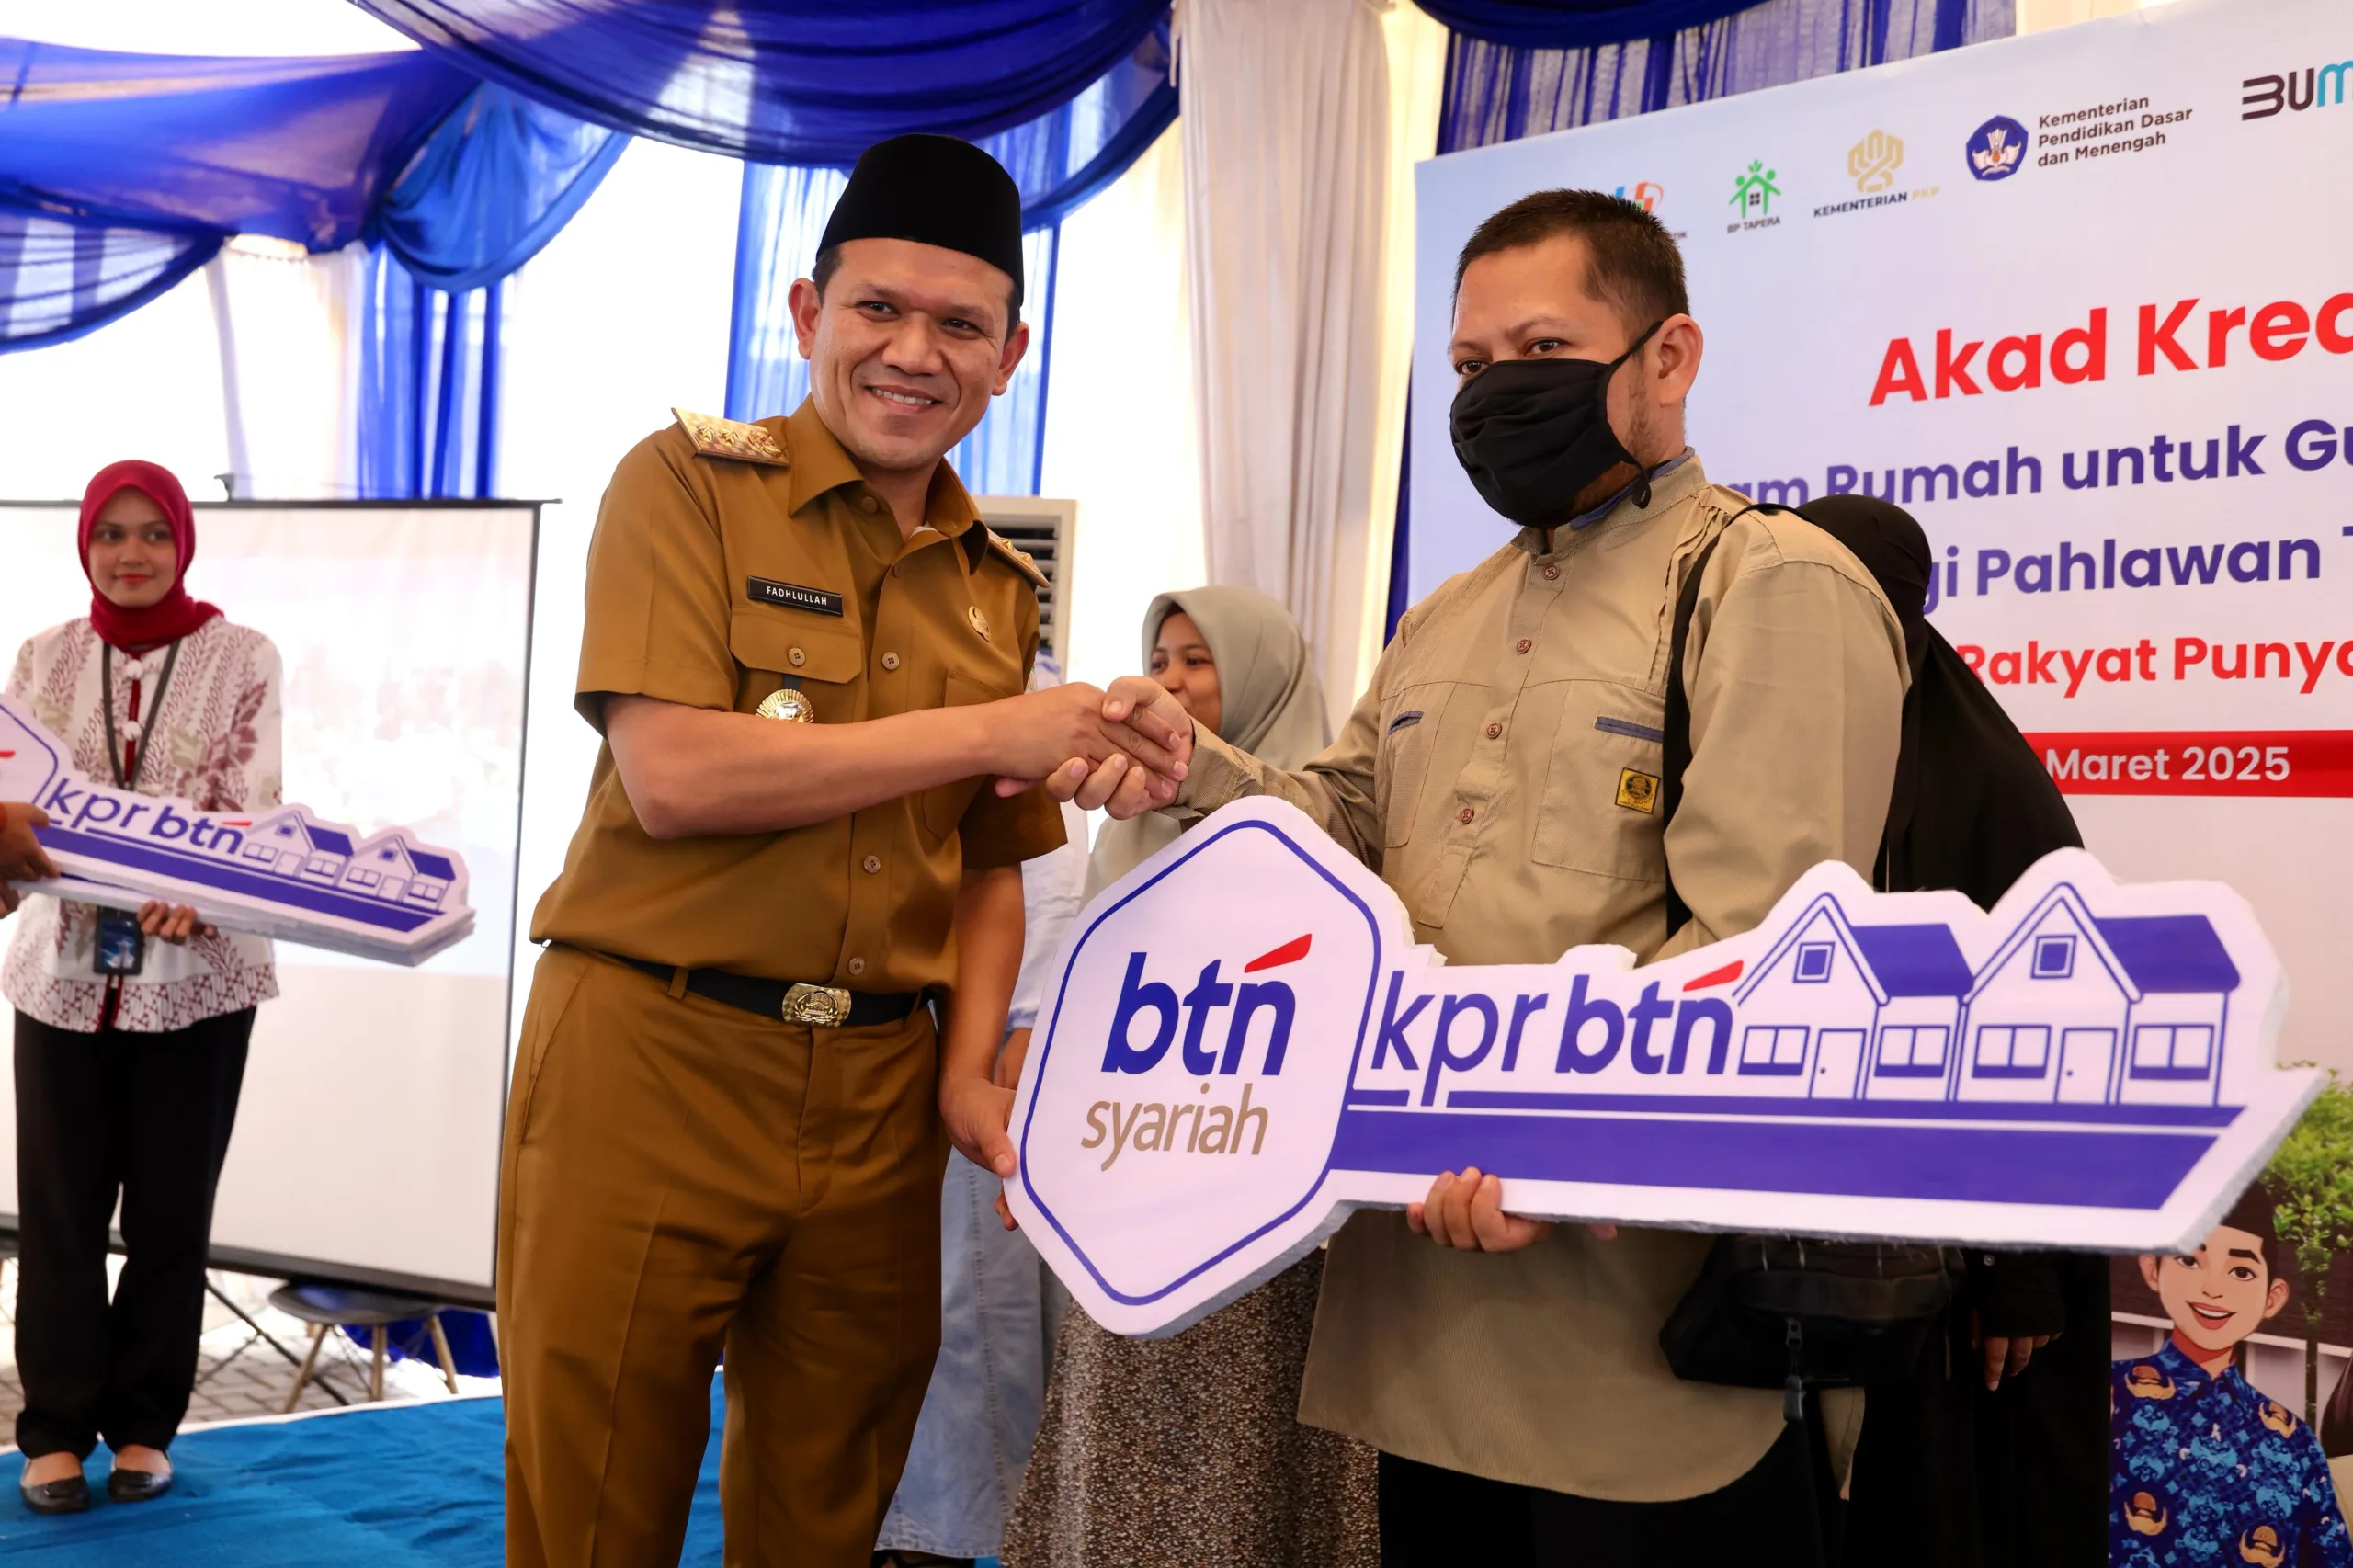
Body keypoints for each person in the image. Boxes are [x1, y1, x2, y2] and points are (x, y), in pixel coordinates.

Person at [1041, 189, 1907, 1564]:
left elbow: (1766, 944)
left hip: (1638, 1337)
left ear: (1669, 357)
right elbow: (1343, 826)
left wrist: (1555, 1145)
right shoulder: (1444, 612)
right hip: (1417, 1310)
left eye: (1541, 350)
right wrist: (1194, 767)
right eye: (1468, 364)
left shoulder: (1767, 582)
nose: (1497, 391)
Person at [499, 133, 1181, 1568]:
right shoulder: (685, 486)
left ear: (1010, 355)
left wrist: (968, 1067)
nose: (913, 353)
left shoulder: (995, 587)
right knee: (596, 1497)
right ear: (809, 313)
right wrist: (990, 727)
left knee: (832, 1507)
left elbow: (991, 863)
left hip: (877, 1091)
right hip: (653, 1051)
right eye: (878, 307)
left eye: (961, 325)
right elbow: (676, 774)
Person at [1003, 586, 1379, 1568]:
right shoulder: (1127, 828)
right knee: (1119, 1447)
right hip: (1132, 1201)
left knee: (1251, 1464)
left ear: (1261, 673)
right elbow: (1091, 1007)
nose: (1171, 680)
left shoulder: (1326, 833)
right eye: (1160, 659)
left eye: (1197, 660)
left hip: (1266, 1215)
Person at [1800, 494, 2109, 1568]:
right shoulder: (1806, 751)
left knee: (1956, 1497)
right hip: (1838, 1230)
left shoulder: (1986, 785)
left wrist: (2021, 1266)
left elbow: (2055, 1035)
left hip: (1975, 1252)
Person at [6, 460, 282, 1515]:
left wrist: (200, 886)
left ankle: (143, 1429)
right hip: (61, 979)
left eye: (153, 532)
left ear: (183, 541)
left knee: (172, 1212)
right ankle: (53, 1431)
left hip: (199, 976)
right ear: (86, 544)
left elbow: (251, 800)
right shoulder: (42, 655)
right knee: (60, 1213)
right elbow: (15, 792)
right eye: (111, 533)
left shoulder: (242, 655)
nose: (131, 553)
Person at [875, 660, 1090, 1568]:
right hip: (908, 1026)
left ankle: (942, 1534)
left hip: (986, 1033)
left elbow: (1046, 875)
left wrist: (1028, 1015)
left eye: (1196, 660)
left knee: (969, 1308)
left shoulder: (1015, 680)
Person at [2110, 1187, 2353, 1567]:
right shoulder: (2107, 1396)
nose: (2213, 1288)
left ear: (2272, 1297)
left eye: (2241, 1271)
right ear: (2153, 1269)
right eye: (2190, 1260)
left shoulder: (2293, 1441)